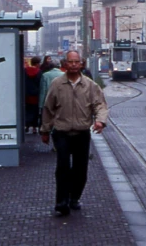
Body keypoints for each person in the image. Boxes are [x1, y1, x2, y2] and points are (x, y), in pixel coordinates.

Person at [40, 51, 108, 216]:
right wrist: (45, 130)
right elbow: (48, 108)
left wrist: (100, 121)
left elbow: (100, 105)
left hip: (81, 132)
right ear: (65, 64)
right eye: (70, 62)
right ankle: (61, 201)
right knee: (62, 166)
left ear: (81, 64)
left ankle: (74, 197)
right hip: (61, 132)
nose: (73, 65)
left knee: (80, 169)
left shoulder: (90, 85)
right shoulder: (57, 84)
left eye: (76, 62)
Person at [24, 56, 42, 133]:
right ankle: (34, 127)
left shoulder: (25, 70)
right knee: (35, 111)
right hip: (36, 94)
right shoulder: (39, 71)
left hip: (26, 94)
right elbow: (39, 83)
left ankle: (27, 126)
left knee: (27, 110)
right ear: (37, 63)